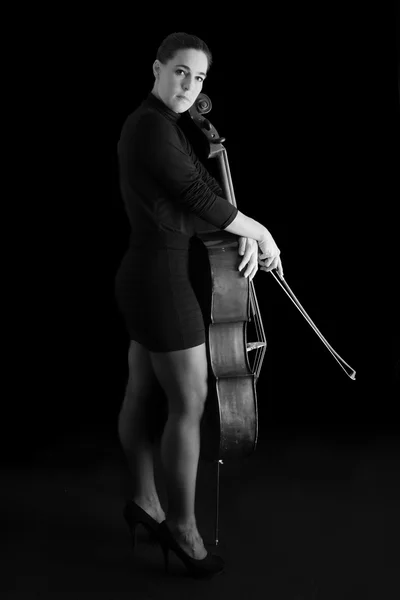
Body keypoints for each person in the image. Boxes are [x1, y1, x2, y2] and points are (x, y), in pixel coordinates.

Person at [114, 32, 283, 578]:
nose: (190, 85)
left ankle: (144, 501)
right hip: (159, 281)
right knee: (189, 399)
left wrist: (233, 232)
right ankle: (183, 531)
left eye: (200, 77)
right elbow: (196, 196)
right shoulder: (151, 128)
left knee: (142, 393)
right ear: (158, 68)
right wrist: (258, 231)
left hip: (144, 274)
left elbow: (187, 205)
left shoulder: (159, 125)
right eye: (181, 72)